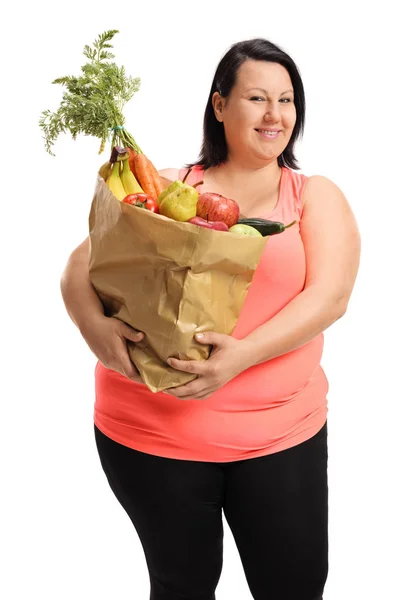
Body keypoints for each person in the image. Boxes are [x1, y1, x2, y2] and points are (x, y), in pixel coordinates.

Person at [61, 38, 361, 600]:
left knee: (293, 585)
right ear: (220, 105)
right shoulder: (172, 189)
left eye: (287, 100)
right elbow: (81, 268)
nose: (275, 115)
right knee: (182, 585)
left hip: (279, 435)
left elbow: (330, 296)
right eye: (256, 97)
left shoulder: (312, 197)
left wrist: (240, 358)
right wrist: (95, 331)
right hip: (152, 432)